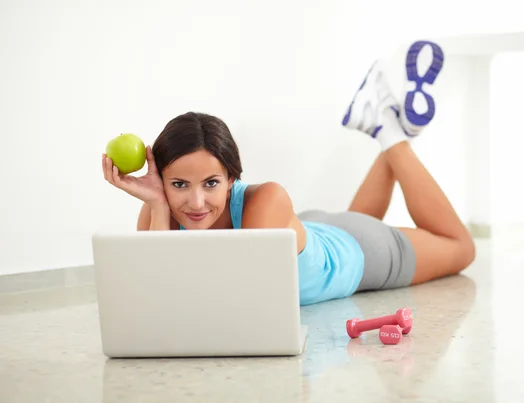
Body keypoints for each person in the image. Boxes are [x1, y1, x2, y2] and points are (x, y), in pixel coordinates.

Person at [101, 40, 475, 306]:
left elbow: (235, 295)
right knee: (358, 219)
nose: (195, 202)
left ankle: (389, 131)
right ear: (162, 180)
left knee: (462, 248)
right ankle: (386, 118)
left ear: (233, 177)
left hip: (357, 253)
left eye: (212, 183)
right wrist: (157, 204)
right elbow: (158, 291)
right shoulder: (158, 209)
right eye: (178, 185)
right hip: (312, 230)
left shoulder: (268, 198)